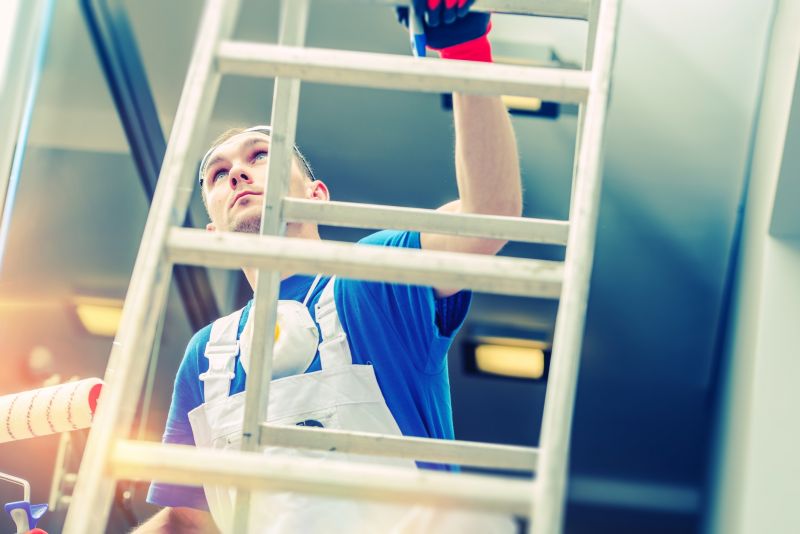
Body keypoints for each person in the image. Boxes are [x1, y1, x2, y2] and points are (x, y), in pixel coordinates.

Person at [136, 3, 522, 532]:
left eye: (259, 156)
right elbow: (186, 520)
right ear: (213, 235)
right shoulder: (207, 357)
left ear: (317, 196)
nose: (237, 175)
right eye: (218, 175)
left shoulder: (372, 277)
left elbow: (489, 215)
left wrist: (464, 46)